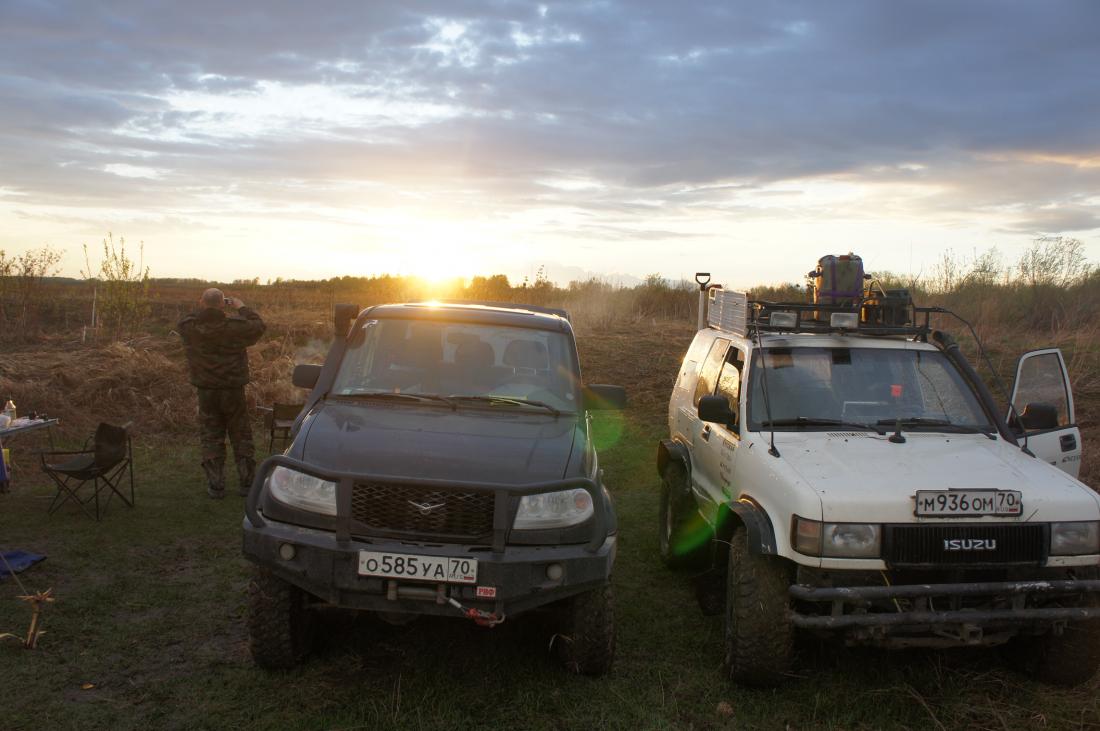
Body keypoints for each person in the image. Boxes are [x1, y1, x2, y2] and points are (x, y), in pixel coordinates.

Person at [178, 288, 265, 499]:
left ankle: (216, 485)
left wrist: (207, 309)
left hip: (206, 391)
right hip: (233, 390)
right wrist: (241, 307)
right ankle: (246, 483)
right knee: (240, 433)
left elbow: (184, 321)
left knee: (211, 435)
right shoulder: (235, 328)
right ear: (222, 304)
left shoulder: (191, 328)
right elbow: (259, 326)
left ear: (202, 302)